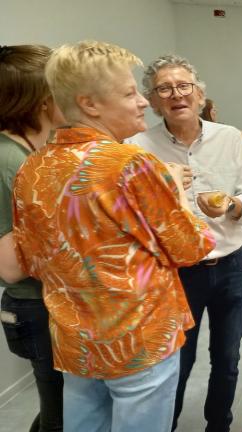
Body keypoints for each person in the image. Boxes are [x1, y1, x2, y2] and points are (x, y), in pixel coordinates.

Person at [12, 41, 216, 432]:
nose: (143, 101)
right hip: (139, 342)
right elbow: (193, 246)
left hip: (76, 341)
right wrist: (174, 189)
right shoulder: (131, 163)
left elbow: (33, 259)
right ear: (90, 104)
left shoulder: (32, 168)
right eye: (129, 93)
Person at [130, 54, 242, 432]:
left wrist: (235, 205)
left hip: (232, 264)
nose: (176, 95)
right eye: (164, 88)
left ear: (200, 94)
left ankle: (218, 426)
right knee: (175, 359)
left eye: (184, 86)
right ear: (153, 101)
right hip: (175, 272)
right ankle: (165, 425)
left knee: (227, 357)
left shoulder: (230, 138)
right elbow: (134, 215)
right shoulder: (138, 146)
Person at [0, 44, 64, 432]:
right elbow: (10, 266)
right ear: (43, 99)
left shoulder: (31, 152)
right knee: (62, 413)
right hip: (34, 306)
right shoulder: (12, 161)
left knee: (61, 405)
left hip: (46, 302)